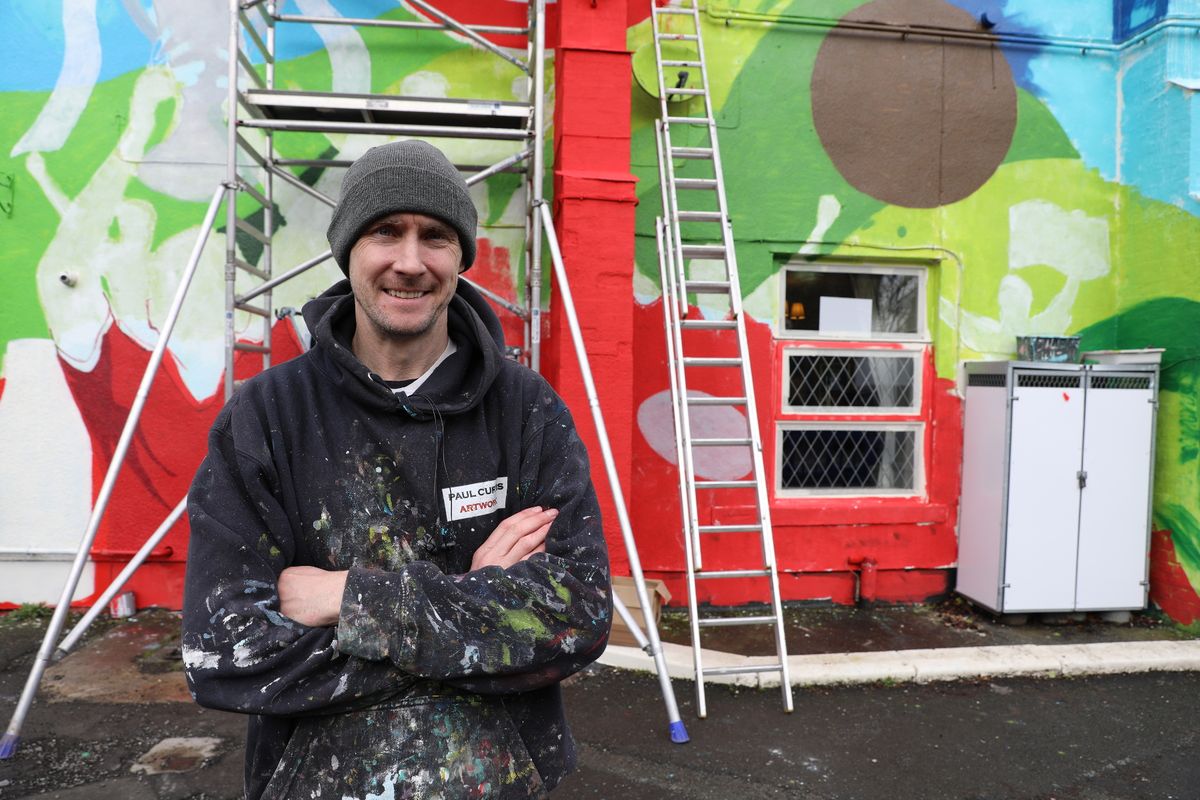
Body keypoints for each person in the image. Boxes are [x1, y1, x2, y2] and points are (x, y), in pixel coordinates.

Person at [181, 140, 611, 800]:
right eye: (386, 231)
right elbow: (225, 652)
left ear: (460, 258)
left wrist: (353, 600)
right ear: (348, 249)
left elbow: (577, 616)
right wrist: (478, 601)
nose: (409, 262)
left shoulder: (526, 411)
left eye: (435, 236)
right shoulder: (265, 417)